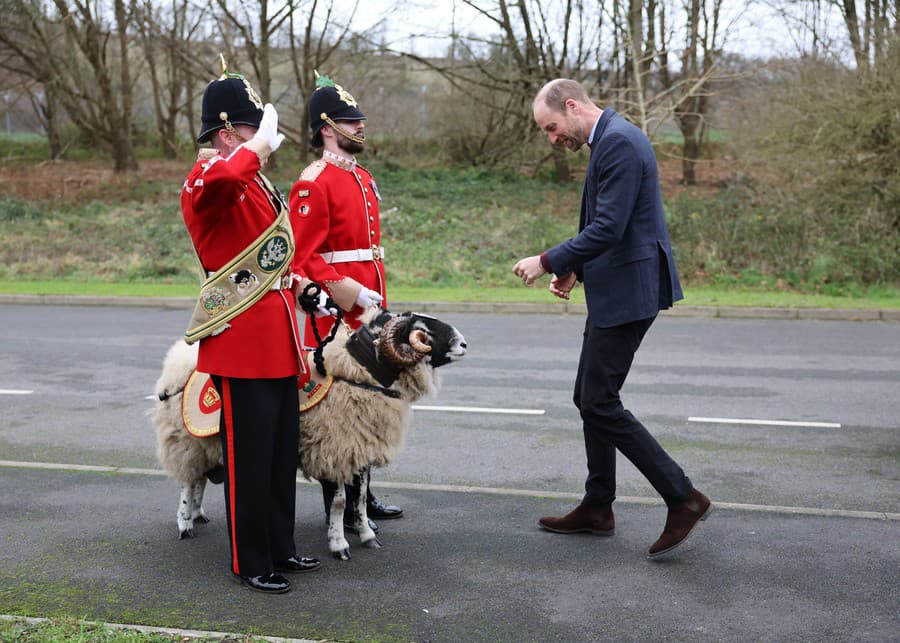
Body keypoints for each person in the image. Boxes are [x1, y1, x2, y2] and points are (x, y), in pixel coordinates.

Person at [513, 78, 711, 558]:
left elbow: (609, 226)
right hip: (616, 287)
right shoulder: (610, 139)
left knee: (599, 401)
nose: (552, 138)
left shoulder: (619, 143)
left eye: (552, 126)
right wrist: (576, 268)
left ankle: (683, 497)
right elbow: (605, 224)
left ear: (574, 107)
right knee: (589, 396)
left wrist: (548, 260)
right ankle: (598, 506)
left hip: (629, 291)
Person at [181, 62, 321, 593]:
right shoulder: (206, 178)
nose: (259, 138)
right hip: (241, 340)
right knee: (249, 458)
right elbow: (218, 179)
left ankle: (281, 547)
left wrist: (307, 290)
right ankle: (250, 558)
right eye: (247, 128)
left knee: (281, 452)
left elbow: (279, 257)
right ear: (224, 132)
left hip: (279, 336)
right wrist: (255, 149)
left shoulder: (255, 182)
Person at [288, 72, 403, 532]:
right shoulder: (313, 182)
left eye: (359, 121)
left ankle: (364, 497)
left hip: (370, 311)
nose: (360, 128)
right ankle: (340, 505)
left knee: (369, 403)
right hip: (337, 313)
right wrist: (347, 293)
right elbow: (302, 259)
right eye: (350, 122)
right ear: (326, 128)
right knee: (338, 413)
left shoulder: (362, 177)